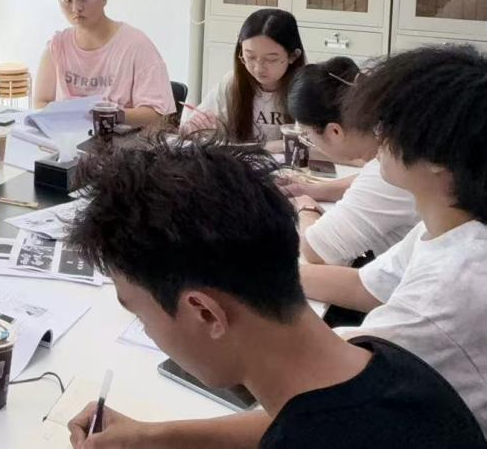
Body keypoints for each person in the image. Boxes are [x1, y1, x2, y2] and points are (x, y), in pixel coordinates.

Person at [63, 138, 484, 448]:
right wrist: (152, 438)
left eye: (141, 315)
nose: (148, 330)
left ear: (206, 313)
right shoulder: (386, 364)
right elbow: (301, 421)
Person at [301, 45, 487, 436]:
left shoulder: (447, 290)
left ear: (437, 158)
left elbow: (326, 383)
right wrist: (250, 277)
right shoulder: (450, 225)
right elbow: (364, 285)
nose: (377, 134)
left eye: (388, 125)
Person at [282, 57, 416, 266]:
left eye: (307, 135)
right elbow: (367, 179)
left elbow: (316, 251)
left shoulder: (389, 171)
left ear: (334, 131)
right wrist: (311, 189)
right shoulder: (394, 140)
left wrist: (306, 208)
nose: (309, 141)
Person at [33, 0, 173, 126]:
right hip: (67, 136)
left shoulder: (136, 45)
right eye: (67, 0)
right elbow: (41, 103)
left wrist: (108, 116)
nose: (76, 8)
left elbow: (157, 114)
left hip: (122, 139)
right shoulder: (57, 46)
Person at [180, 8, 305, 146]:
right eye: (250, 57)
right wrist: (194, 128)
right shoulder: (233, 82)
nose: (258, 68)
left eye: (271, 59)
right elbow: (190, 129)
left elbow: (314, 147)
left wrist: (264, 147)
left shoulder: (308, 88)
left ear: (293, 56)